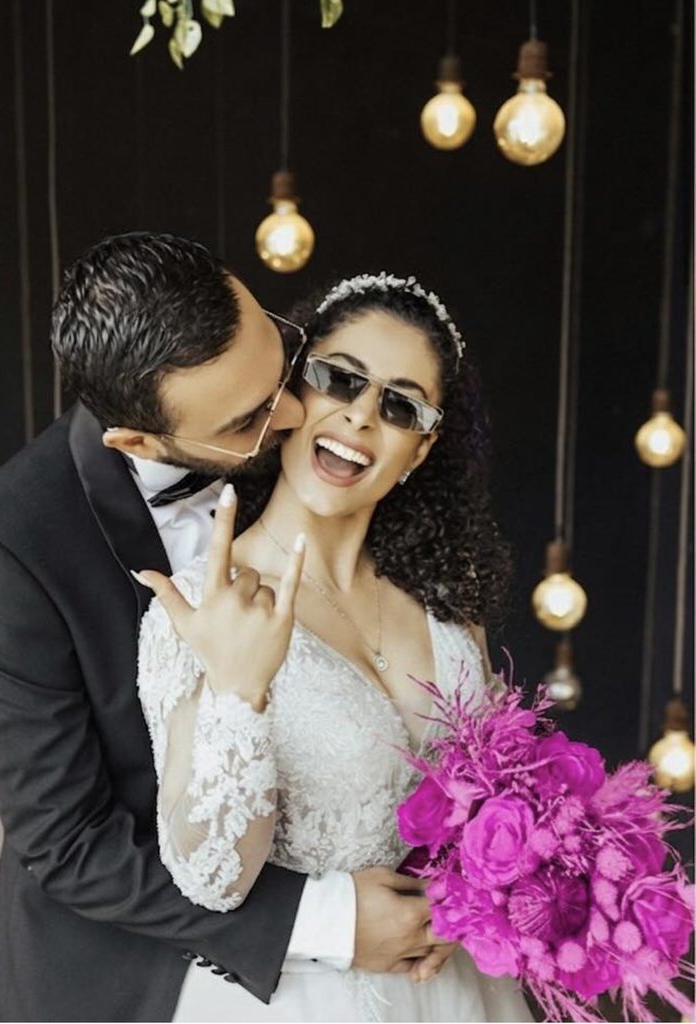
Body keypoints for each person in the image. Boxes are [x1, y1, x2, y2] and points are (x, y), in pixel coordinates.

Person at [0, 236, 445, 1022]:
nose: (290, 415)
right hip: (128, 970)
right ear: (139, 443)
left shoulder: (325, 437)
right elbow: (70, 844)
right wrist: (330, 922)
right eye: (249, 419)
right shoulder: (8, 552)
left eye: (280, 357)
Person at [135, 272, 534, 1022]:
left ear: (420, 447)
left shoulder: (451, 599)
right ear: (292, 392)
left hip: (456, 992)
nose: (358, 417)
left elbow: (484, 800)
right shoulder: (204, 603)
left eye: (398, 404)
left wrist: (476, 895)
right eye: (338, 380)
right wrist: (236, 688)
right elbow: (209, 877)